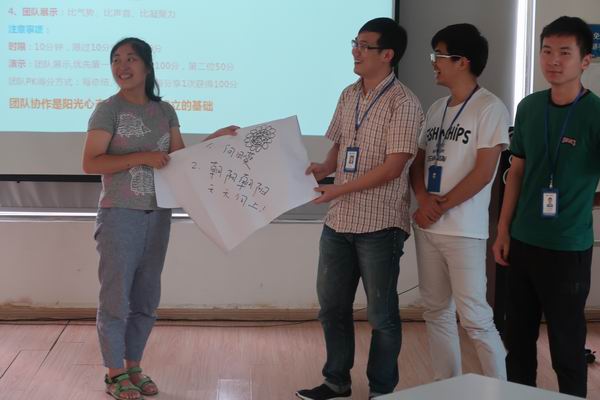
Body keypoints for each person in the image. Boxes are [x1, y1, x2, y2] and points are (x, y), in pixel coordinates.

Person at [82, 37, 237, 400]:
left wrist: (214, 140)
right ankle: (115, 373)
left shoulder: (164, 111)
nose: (122, 66)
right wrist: (142, 157)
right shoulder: (107, 110)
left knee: (146, 299)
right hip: (120, 215)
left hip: (158, 215)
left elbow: (179, 161)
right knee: (116, 299)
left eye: (131, 59)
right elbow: (91, 162)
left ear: (147, 66)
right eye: (116, 59)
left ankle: (134, 366)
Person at [296, 17, 423, 400]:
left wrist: (339, 187)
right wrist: (324, 167)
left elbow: (394, 167)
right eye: (355, 42)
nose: (356, 51)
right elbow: (339, 145)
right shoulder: (348, 94)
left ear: (388, 55)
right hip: (339, 221)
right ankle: (336, 381)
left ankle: (382, 390)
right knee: (331, 308)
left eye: (365, 45)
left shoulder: (404, 102)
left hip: (380, 224)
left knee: (381, 316)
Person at [492, 16, 600, 398]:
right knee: (517, 341)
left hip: (568, 248)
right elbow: (517, 172)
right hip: (523, 241)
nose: (553, 60)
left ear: (585, 60)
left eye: (564, 53)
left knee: (566, 348)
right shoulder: (529, 107)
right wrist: (503, 229)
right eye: (547, 51)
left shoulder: (595, 114)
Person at [409, 23, 508, 381]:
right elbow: (418, 163)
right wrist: (423, 200)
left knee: (476, 318)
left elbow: (484, 172)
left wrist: (439, 206)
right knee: (436, 312)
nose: (433, 62)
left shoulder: (489, 108)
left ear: (462, 61)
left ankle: (498, 391)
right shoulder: (437, 108)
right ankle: (446, 386)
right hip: (429, 227)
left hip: (464, 230)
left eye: (439, 55)